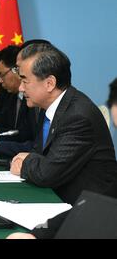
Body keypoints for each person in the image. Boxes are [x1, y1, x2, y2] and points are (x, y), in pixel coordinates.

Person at [10, 42, 117, 204]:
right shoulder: (48, 106)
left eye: (25, 81)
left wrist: (26, 163)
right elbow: (38, 155)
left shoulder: (78, 116)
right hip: (63, 198)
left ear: (50, 84)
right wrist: (33, 161)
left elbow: (47, 174)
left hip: (90, 211)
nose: (20, 88)